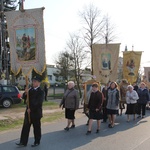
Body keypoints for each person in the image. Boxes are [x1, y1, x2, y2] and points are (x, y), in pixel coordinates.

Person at [16, 76, 44, 147]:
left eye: (35, 81)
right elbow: (24, 98)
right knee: (25, 127)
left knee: (36, 128)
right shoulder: (30, 90)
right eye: (33, 81)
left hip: (36, 112)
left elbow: (39, 102)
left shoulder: (41, 91)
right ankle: (23, 142)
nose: (33, 83)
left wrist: (31, 109)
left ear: (38, 83)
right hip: (28, 112)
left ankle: (37, 141)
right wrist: (25, 93)